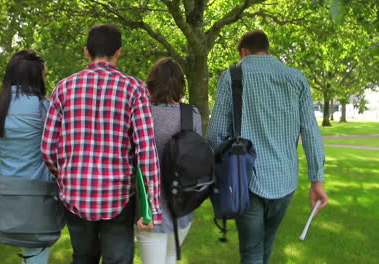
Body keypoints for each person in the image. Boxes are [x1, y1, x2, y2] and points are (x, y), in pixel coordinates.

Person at [41, 24, 162, 264]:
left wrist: (65, 175)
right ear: (119, 52)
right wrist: (153, 207)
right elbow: (146, 150)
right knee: (117, 260)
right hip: (118, 194)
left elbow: (47, 148)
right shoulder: (135, 89)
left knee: (83, 257)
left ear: (87, 52)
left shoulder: (63, 88)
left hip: (74, 192)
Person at [207, 30, 328, 264]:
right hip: (285, 179)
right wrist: (317, 181)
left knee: (251, 252)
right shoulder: (296, 78)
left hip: (245, 179)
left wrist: (218, 169)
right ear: (267, 49)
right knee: (266, 244)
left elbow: (215, 134)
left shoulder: (232, 75)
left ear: (243, 51)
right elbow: (311, 132)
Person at [0, 49, 52, 264]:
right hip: (38, 192)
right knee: (36, 255)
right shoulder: (42, 107)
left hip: (6, 191)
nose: (45, 79)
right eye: (43, 75)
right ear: (35, 77)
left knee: (29, 255)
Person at [135, 57, 202, 264]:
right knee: (171, 257)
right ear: (180, 84)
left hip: (149, 210)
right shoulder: (192, 114)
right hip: (182, 207)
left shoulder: (143, 113)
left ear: (152, 82)